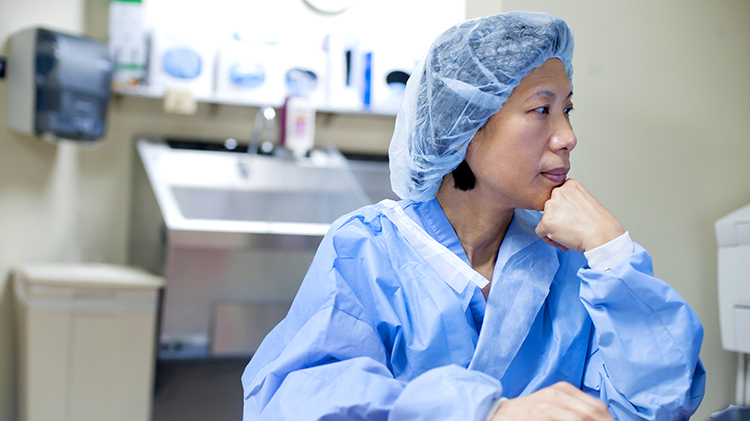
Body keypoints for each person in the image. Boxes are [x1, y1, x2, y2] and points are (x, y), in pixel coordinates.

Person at [241, 11, 706, 421]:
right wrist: (486, 411)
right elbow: (299, 401)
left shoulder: (571, 264)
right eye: (541, 109)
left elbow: (658, 406)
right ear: (463, 123)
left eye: (567, 110)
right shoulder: (368, 249)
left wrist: (614, 252)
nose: (567, 136)